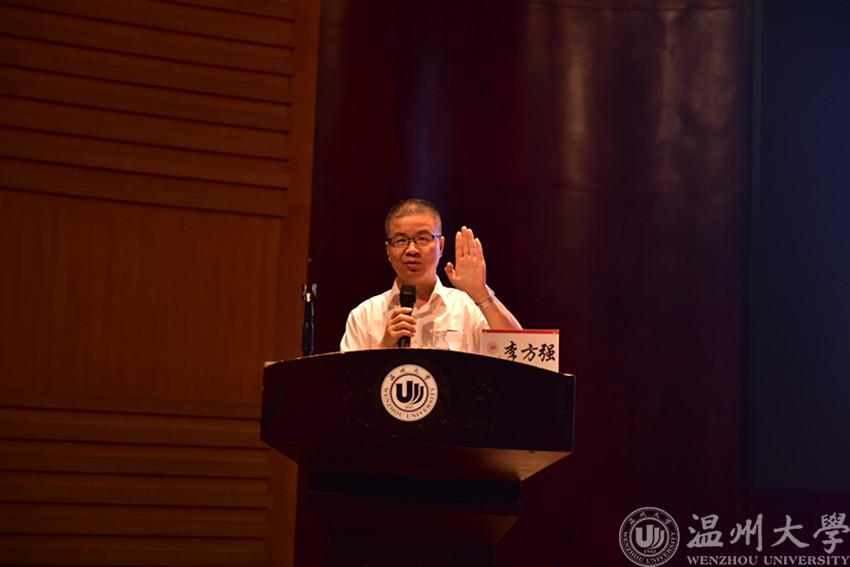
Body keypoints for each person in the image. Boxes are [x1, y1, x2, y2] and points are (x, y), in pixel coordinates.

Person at [340, 198, 522, 352]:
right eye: (401, 240)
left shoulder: (467, 307)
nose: (411, 249)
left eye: (422, 238)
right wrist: (383, 347)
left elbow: (518, 352)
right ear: (388, 250)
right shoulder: (364, 315)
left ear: (440, 246)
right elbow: (348, 381)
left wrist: (481, 293)